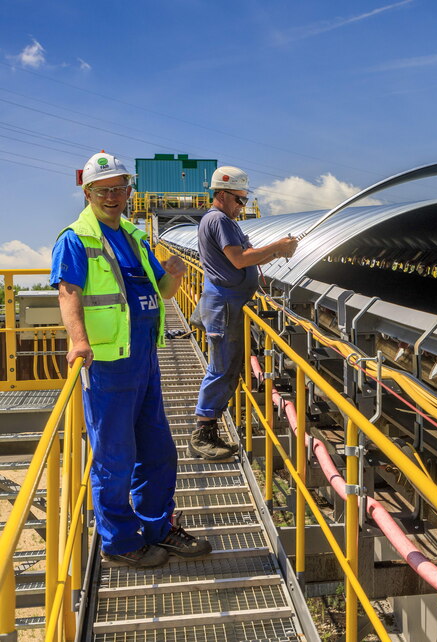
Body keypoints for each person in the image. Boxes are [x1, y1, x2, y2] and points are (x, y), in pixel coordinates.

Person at [53, 151, 212, 568]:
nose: (114, 196)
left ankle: (159, 527)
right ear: (88, 192)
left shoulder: (135, 235)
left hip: (144, 358)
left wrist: (175, 273)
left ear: (130, 191)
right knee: (115, 456)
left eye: (121, 188)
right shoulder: (76, 238)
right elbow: (68, 292)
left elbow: (163, 294)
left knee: (159, 450)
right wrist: (79, 342)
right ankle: (120, 541)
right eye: (104, 190)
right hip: (106, 364)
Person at [190, 166, 298, 461]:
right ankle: (202, 432)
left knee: (228, 366)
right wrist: (278, 248)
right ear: (222, 195)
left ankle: (208, 427)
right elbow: (238, 259)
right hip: (224, 305)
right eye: (239, 200)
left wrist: (273, 251)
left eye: (244, 201)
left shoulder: (222, 221)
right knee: (222, 368)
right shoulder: (219, 220)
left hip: (227, 303)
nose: (243, 206)